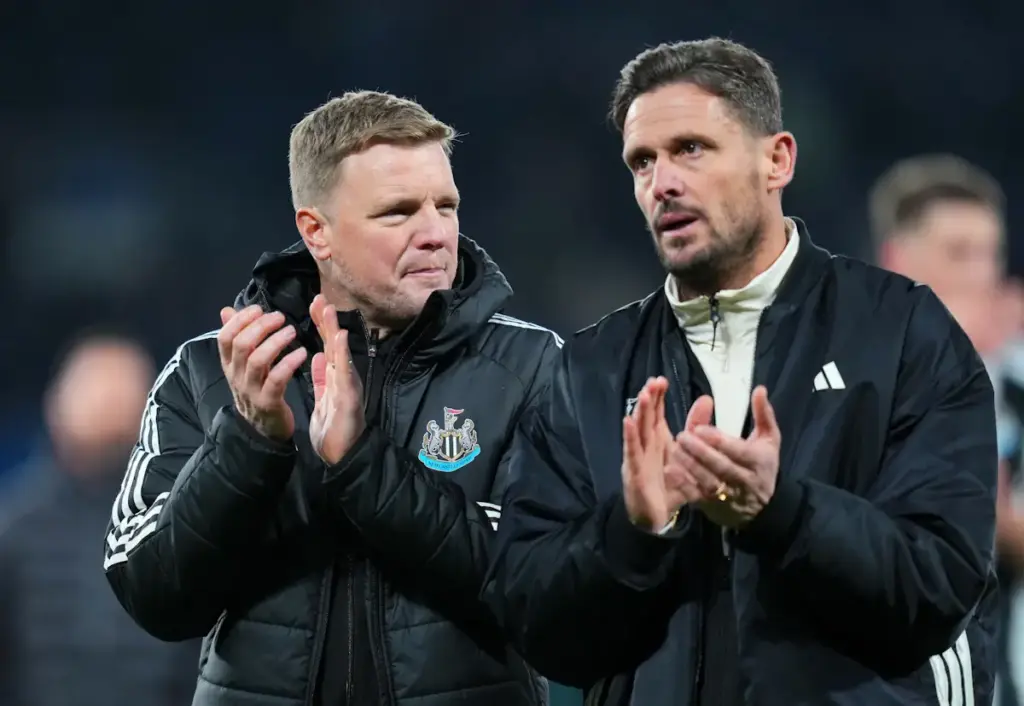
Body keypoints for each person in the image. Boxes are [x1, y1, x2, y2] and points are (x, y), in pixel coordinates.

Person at [485, 37, 999, 706]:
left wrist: (782, 511)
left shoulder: (901, 331)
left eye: (691, 149)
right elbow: (534, 623)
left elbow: (941, 587)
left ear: (776, 159)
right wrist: (635, 534)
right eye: (642, 162)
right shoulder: (590, 368)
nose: (661, 182)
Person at [103, 91, 560, 706]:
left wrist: (362, 463)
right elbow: (154, 596)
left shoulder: (533, 367)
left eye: (445, 205)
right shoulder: (208, 371)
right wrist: (247, 442)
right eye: (398, 212)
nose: (435, 234)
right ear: (316, 231)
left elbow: (552, 590)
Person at [871, 154, 1023, 706]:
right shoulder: (841, 378)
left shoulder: (1017, 383)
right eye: (959, 253)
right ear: (895, 261)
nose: (982, 274)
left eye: (992, 253)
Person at [0, 333, 199, 706]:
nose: (109, 403)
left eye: (123, 388)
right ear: (55, 404)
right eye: (95, 388)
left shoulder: (186, 523)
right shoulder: (14, 528)